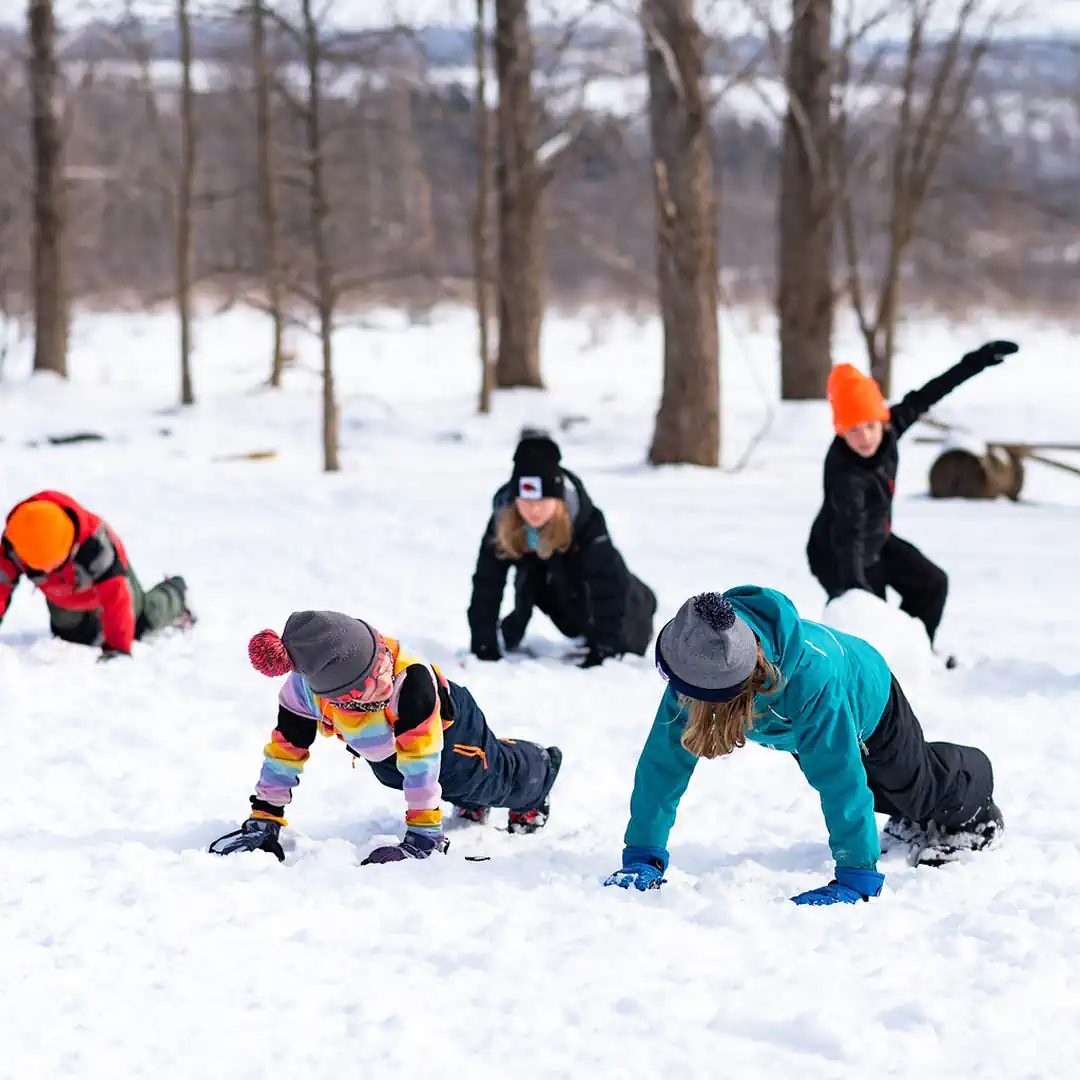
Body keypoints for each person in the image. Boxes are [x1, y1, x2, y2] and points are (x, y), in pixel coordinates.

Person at [604, 587, 1003, 904]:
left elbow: (839, 780)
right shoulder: (693, 661)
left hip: (868, 697)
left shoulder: (810, 680)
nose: (678, 695)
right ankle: (909, 816)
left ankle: (979, 799)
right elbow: (663, 764)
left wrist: (856, 877)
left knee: (917, 790)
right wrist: (643, 855)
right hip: (794, 722)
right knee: (880, 793)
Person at [209, 610, 563, 863]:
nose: (375, 684)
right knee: (396, 775)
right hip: (388, 752)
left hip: (454, 736)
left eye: (374, 671)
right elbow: (285, 752)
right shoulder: (304, 690)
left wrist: (424, 837)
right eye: (359, 688)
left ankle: (539, 768)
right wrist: (265, 818)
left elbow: (422, 764)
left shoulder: (409, 683)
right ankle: (469, 801)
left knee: (490, 780)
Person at [806, 340, 1019, 649]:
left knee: (932, 584)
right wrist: (854, 587)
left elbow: (930, 393)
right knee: (868, 619)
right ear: (840, 431)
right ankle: (883, 670)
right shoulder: (845, 475)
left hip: (877, 538)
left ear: (881, 419)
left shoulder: (891, 428)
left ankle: (914, 653)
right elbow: (847, 532)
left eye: (869, 426)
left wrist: (976, 361)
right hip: (836, 553)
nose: (864, 437)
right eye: (853, 430)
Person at [468, 432, 657, 668]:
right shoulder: (504, 520)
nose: (533, 510)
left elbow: (609, 586)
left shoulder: (586, 521)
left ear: (557, 500)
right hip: (565, 604)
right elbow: (487, 583)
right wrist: (483, 642)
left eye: (542, 501)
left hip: (622, 603)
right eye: (525, 501)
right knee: (535, 576)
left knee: (629, 624)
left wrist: (606, 649)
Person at [0, 490, 193, 660]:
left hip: (104, 585)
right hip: (62, 595)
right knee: (73, 637)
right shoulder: (17, 541)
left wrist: (117, 649)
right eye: (38, 571)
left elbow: (116, 596)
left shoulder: (97, 547)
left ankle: (175, 593)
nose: (44, 573)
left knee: (139, 624)